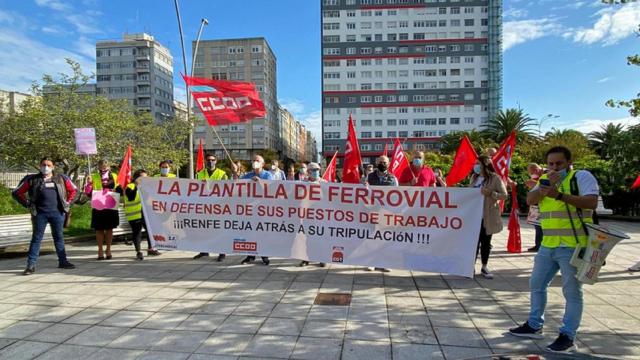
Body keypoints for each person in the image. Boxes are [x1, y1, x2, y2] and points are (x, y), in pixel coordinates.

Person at [509, 146, 599, 353]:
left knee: (572, 292)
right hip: (547, 246)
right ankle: (534, 324)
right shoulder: (545, 180)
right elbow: (530, 200)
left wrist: (559, 195)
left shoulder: (581, 177)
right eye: (550, 164)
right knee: (537, 284)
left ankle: (567, 336)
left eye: (559, 163)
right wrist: (543, 189)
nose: (554, 167)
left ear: (569, 162)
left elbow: (591, 202)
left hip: (572, 246)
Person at [12, 157, 77, 275]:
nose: (45, 167)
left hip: (57, 213)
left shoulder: (61, 178)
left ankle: (63, 262)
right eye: (43, 164)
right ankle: (30, 266)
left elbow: (74, 190)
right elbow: (16, 192)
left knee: (59, 237)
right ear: (40, 165)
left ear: (53, 167)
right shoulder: (32, 179)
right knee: (36, 239)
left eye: (48, 165)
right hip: (39, 214)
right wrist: (27, 204)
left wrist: (67, 202)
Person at [469, 155, 508, 279]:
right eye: (475, 163)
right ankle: (471, 266)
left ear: (485, 165)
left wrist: (491, 193)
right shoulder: (474, 178)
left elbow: (504, 195)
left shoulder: (495, 178)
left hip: (487, 216)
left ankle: (484, 266)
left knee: (486, 242)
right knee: (473, 243)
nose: (475, 166)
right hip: (474, 216)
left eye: (478, 163)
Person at [233, 154, 273, 265]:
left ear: (263, 164)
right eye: (254, 160)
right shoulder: (248, 175)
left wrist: (259, 182)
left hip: (263, 210)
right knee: (250, 232)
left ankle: (264, 255)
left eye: (257, 160)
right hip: (250, 209)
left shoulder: (268, 175)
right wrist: (235, 172)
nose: (255, 162)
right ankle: (250, 255)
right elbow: (236, 185)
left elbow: (271, 190)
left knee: (262, 232)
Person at [193, 154, 229, 261]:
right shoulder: (199, 174)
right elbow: (194, 189)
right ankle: (204, 251)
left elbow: (226, 189)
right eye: (208, 160)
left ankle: (222, 252)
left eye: (213, 160)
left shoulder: (222, 174)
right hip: (204, 206)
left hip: (218, 206)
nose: (210, 162)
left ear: (216, 161)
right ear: (205, 161)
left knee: (219, 229)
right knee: (204, 229)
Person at [365, 155, 397, 272]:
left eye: (385, 162)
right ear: (377, 163)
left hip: (387, 212)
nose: (382, 164)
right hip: (373, 211)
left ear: (388, 164)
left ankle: (385, 262)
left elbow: (398, 194)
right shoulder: (370, 177)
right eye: (380, 162)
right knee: (373, 236)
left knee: (385, 237)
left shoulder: (393, 178)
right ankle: (372, 262)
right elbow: (364, 192)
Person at [85, 159, 119, 260]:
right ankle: (100, 250)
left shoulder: (115, 176)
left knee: (109, 228)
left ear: (109, 167)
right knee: (99, 229)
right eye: (101, 167)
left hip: (110, 204)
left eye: (105, 167)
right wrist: (89, 184)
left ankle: (108, 249)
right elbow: (88, 193)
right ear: (98, 167)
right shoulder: (94, 176)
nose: (103, 169)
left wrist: (116, 189)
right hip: (98, 204)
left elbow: (119, 188)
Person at [123, 169, 160, 260]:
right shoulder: (130, 186)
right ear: (136, 178)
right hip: (135, 214)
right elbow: (131, 197)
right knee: (137, 233)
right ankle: (138, 252)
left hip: (145, 213)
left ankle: (151, 248)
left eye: (146, 177)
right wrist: (136, 186)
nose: (144, 179)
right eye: (142, 177)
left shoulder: (146, 187)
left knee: (150, 231)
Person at [299, 162, 327, 268]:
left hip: (320, 215)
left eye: (317, 170)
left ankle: (322, 258)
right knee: (307, 238)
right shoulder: (302, 183)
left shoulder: (324, 182)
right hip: (307, 215)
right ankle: (306, 258)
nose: (316, 172)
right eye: (314, 170)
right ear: (308, 172)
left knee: (320, 237)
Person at [526, 163, 545, 252]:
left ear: (538, 168)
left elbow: (545, 187)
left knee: (542, 227)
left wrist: (535, 184)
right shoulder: (535, 176)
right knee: (537, 226)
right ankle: (537, 244)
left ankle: (540, 245)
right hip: (535, 205)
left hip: (544, 205)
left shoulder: (546, 174)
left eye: (534, 170)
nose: (533, 173)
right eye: (531, 172)